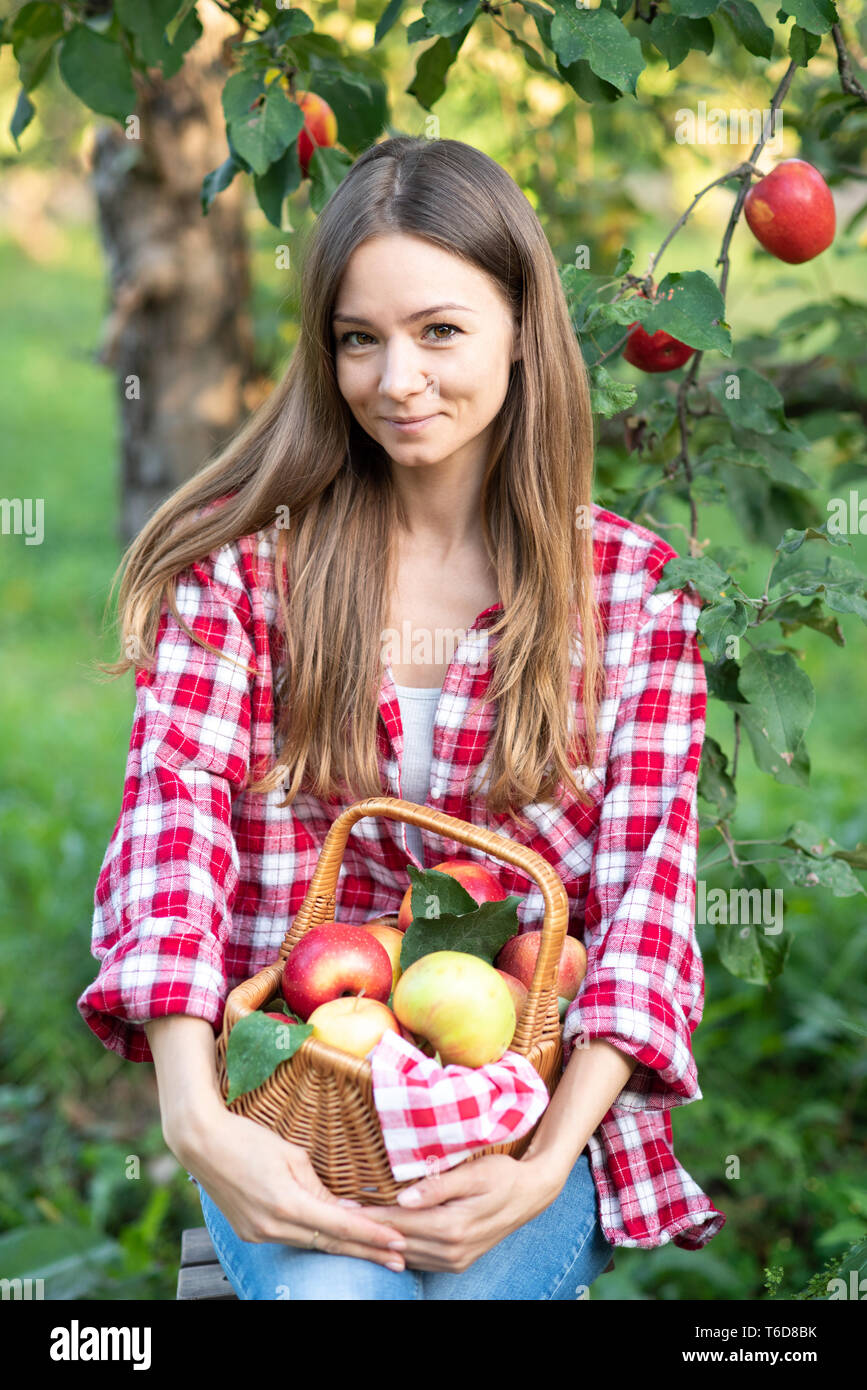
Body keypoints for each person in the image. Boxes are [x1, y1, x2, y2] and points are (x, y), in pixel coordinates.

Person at [79, 136, 725, 1300]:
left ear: (523, 326)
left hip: (521, 1123)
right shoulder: (242, 581)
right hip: (299, 1110)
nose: (397, 379)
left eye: (439, 331)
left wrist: (545, 1169)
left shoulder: (636, 595)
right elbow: (172, 835)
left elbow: (648, 905)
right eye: (359, 339)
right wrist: (194, 1119)